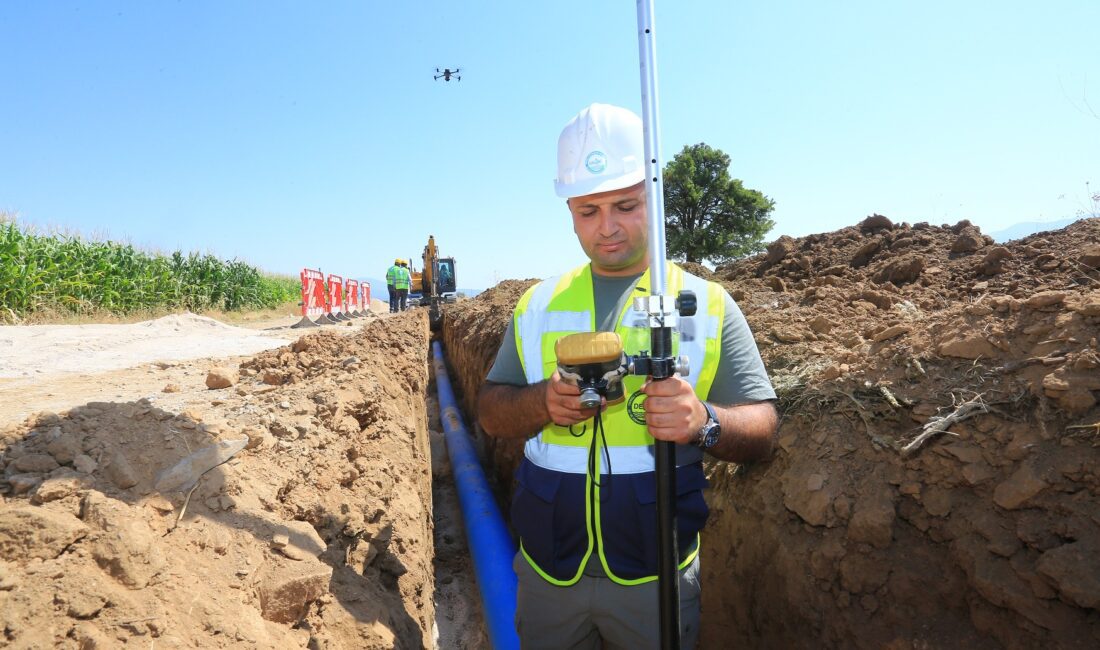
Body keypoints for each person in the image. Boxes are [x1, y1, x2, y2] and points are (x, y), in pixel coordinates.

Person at [477, 103, 778, 649]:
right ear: (569, 209)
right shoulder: (537, 305)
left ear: (653, 196)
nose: (608, 227)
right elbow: (490, 411)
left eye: (625, 205)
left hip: (655, 575)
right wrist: (541, 402)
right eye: (588, 211)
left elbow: (764, 428)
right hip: (549, 572)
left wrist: (703, 421)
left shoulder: (708, 305)